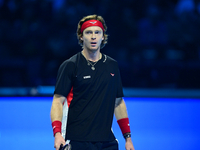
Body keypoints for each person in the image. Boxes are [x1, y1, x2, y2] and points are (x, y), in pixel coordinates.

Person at [50, 14, 135, 150]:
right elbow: (57, 101)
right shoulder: (70, 65)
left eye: (97, 32)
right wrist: (57, 133)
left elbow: (118, 102)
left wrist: (128, 138)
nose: (93, 36)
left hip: (107, 142)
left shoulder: (112, 65)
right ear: (81, 37)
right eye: (89, 32)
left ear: (103, 36)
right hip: (76, 140)